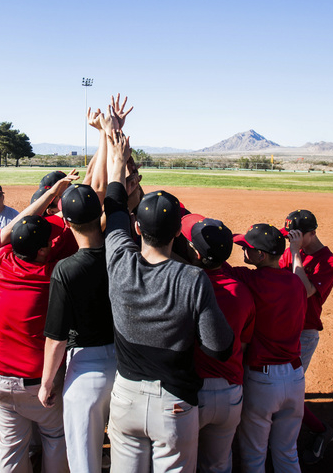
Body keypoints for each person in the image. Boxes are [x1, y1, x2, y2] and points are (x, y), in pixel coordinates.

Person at [103, 130, 234, 473]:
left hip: (126, 396)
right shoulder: (192, 279)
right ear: (178, 232)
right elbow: (219, 348)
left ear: (136, 228)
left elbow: (114, 206)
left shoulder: (118, 261)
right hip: (173, 405)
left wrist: (116, 158)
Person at [0, 172, 80, 473]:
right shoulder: (49, 277)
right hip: (35, 384)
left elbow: (15, 226)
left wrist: (50, 195)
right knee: (55, 437)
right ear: (41, 251)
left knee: (12, 445)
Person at [38, 184, 116, 473]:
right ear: (100, 216)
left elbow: (56, 338)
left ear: (67, 223)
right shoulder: (121, 255)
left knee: (84, 461)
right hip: (127, 366)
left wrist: (47, 383)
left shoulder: (66, 269)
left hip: (87, 370)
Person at [179, 214, 256, 473]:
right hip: (230, 393)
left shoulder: (185, 287)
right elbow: (243, 346)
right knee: (219, 464)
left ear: (198, 256)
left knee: (182, 463)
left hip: (192, 392)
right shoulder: (242, 292)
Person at [230, 223, 307, 472]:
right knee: (287, 451)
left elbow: (216, 268)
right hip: (295, 378)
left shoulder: (250, 279)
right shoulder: (296, 284)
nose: (243, 251)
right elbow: (298, 276)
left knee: (254, 456)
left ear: (260, 255)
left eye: (246, 248)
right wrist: (296, 253)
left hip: (263, 381)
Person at [279, 209, 333, 464]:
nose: (289, 240)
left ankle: (321, 431)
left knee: (288, 394)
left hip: (304, 332)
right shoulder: (292, 250)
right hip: (280, 327)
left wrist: (294, 254)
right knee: (274, 390)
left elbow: (304, 291)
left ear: (311, 233)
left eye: (294, 235)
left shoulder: (328, 261)